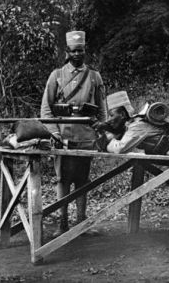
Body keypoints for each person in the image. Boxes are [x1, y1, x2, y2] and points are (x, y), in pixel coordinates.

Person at [41, 30, 107, 236]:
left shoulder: (95, 77)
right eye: (73, 51)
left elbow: (102, 108)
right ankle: (63, 223)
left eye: (81, 50)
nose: (77, 54)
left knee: (83, 180)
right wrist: (55, 134)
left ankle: (81, 223)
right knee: (63, 180)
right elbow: (45, 109)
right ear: (67, 52)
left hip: (86, 136)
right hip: (64, 136)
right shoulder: (57, 76)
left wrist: (100, 130)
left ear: (85, 51)